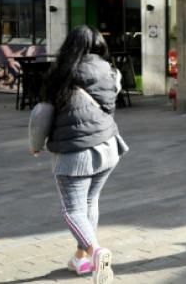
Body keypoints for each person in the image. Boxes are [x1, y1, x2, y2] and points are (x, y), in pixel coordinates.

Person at [28, 25, 127, 284]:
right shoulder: (111, 72)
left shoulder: (61, 74)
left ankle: (96, 252)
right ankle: (81, 257)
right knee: (89, 203)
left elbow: (42, 114)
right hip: (107, 147)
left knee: (72, 209)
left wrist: (36, 144)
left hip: (75, 154)